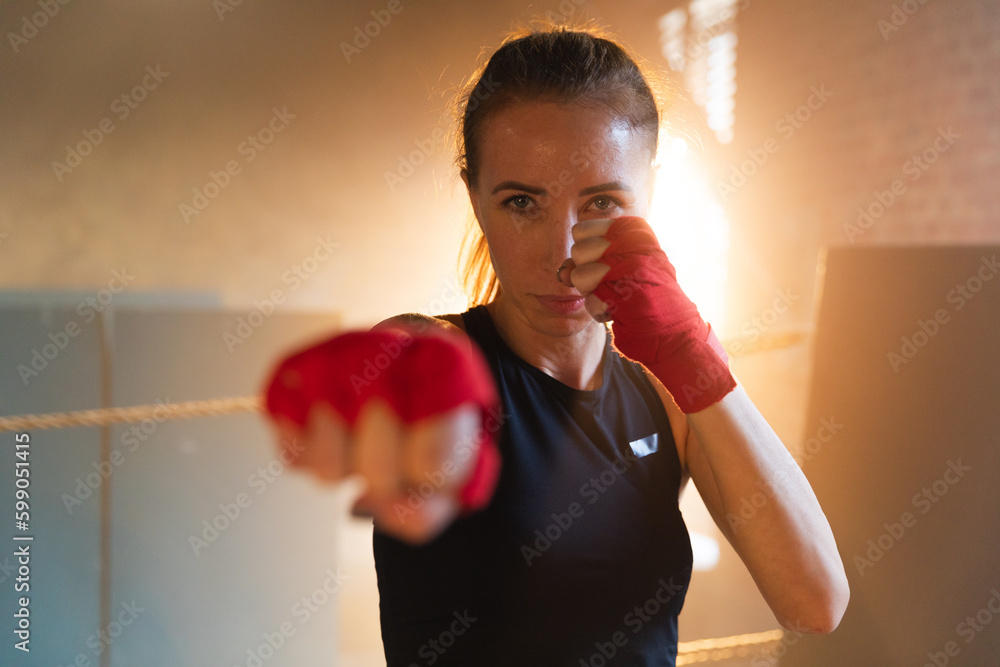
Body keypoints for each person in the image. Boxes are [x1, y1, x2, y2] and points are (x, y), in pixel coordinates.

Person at [263, 24, 849, 666]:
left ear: (649, 195)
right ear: (475, 201)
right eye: (522, 203)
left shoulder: (664, 391)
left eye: (600, 202)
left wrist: (694, 356)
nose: (562, 253)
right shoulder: (435, 355)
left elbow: (816, 602)